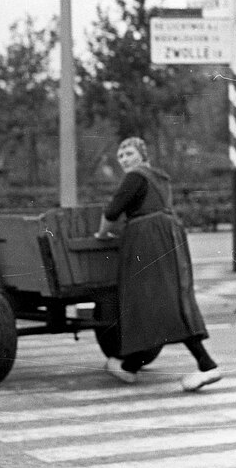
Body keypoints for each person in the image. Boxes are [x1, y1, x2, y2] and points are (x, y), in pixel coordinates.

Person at [95, 136, 222, 392]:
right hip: (168, 238)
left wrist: (102, 234)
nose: (124, 160)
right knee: (166, 299)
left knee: (150, 301)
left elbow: (111, 212)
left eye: (128, 154)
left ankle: (207, 364)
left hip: (146, 240)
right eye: (121, 157)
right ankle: (131, 366)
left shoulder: (135, 177)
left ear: (142, 155)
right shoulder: (161, 179)